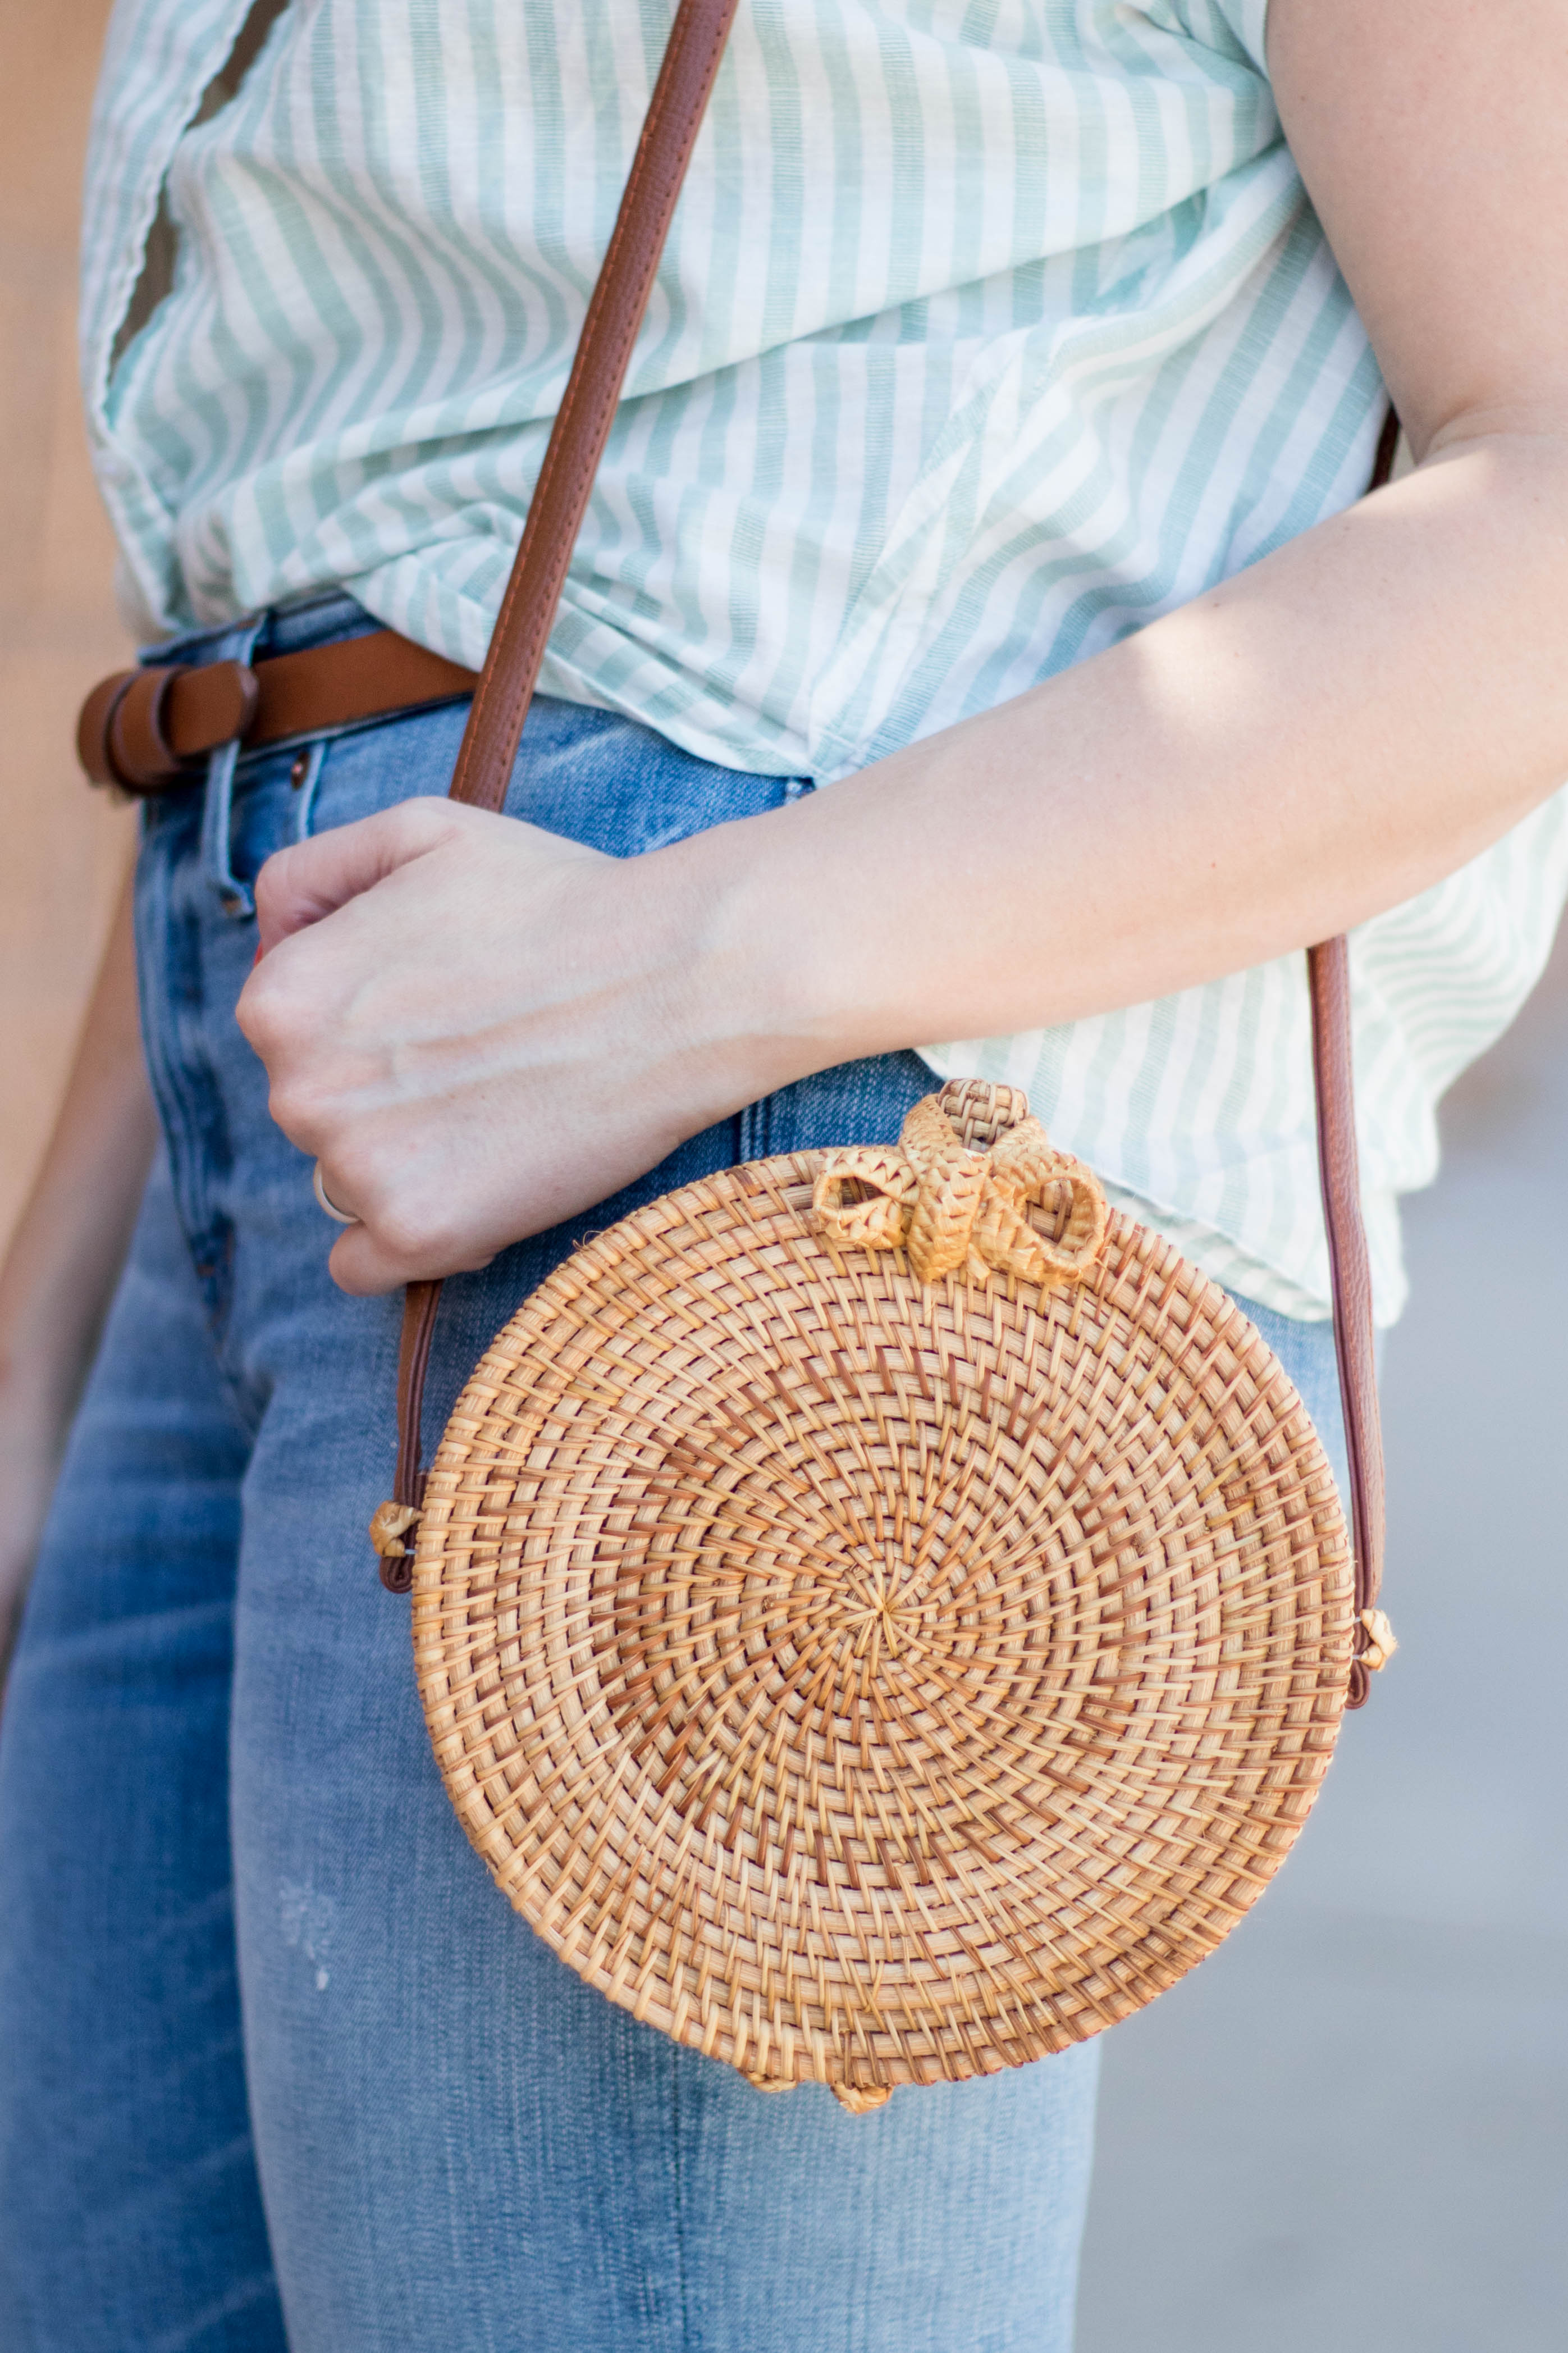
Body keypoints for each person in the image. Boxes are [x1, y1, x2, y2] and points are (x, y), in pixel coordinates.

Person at [2, 0, 1566, 2345]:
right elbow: (327, 579)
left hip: (771, 1111)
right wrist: (57, 1309)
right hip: (298, 1080)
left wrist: (679, 973)